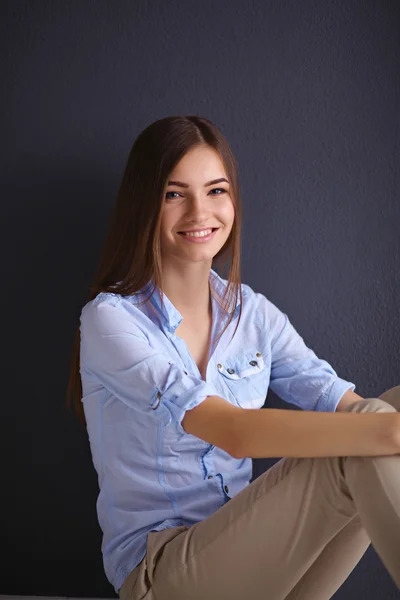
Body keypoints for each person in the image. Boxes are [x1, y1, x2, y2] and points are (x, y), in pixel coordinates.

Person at [66, 115, 400, 599]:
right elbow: (233, 431)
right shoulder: (110, 321)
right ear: (144, 205)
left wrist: (384, 424)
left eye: (216, 190)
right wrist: (385, 428)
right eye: (174, 194)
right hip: (163, 574)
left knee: (384, 408)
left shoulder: (253, 315)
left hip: (261, 568)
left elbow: (343, 403)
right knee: (374, 427)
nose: (200, 212)